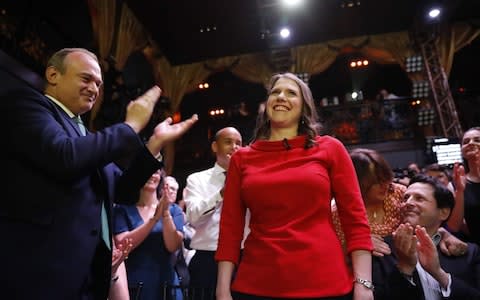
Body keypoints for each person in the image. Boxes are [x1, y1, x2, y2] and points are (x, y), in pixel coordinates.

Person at [0, 47, 198, 299]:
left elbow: (125, 190)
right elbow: (64, 156)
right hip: (36, 270)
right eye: (86, 78)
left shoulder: (88, 139)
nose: (94, 88)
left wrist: (155, 144)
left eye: (98, 83)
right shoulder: (26, 104)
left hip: (85, 276)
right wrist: (130, 125)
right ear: (53, 74)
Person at [216, 73, 374, 300]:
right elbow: (230, 227)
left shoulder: (330, 148)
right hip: (256, 284)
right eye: (275, 92)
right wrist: (222, 290)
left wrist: (364, 284)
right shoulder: (242, 159)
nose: (281, 97)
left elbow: (355, 219)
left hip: (325, 283)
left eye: (291, 93)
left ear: (304, 108)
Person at [332, 148, 467, 258]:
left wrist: (443, 234)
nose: (385, 185)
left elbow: (430, 222)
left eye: (386, 177)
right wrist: (357, 245)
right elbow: (333, 255)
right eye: (376, 182)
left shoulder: (399, 193)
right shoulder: (339, 213)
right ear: (358, 185)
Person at [372, 174, 480, 300]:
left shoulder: (467, 252)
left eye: (419, 198)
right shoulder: (382, 249)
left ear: (443, 212)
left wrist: (440, 274)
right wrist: (405, 269)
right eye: (405, 198)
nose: (408, 203)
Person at [183, 126, 244, 299]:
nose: (235, 147)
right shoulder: (197, 179)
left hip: (243, 259)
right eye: (228, 142)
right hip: (207, 259)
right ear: (215, 147)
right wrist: (220, 194)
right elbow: (193, 218)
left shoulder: (250, 179)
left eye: (239, 143)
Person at [114, 172, 185, 300]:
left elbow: (173, 246)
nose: (152, 175)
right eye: (148, 170)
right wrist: (154, 219)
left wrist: (165, 213)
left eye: (156, 172)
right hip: (135, 285)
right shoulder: (122, 210)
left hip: (166, 284)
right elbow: (122, 245)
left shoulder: (175, 210)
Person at [447, 127, 480, 245]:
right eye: (466, 142)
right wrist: (460, 191)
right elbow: (454, 227)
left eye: (477, 140)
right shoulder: (454, 185)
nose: (471, 143)